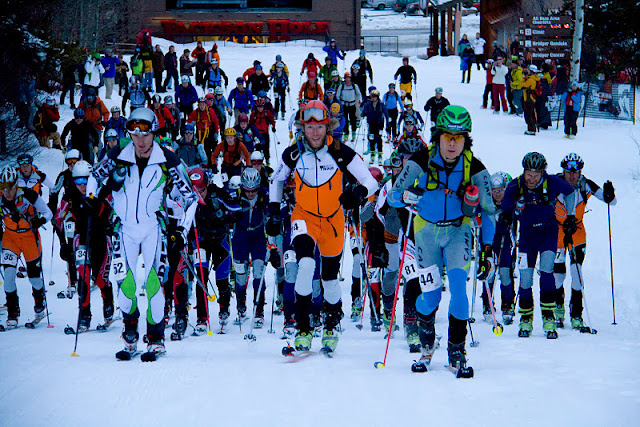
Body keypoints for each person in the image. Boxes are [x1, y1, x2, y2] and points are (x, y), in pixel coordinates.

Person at [388, 105, 495, 373]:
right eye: (447, 136)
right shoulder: (420, 161)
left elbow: (490, 211)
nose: (452, 144)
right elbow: (393, 196)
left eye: (458, 138)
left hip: (458, 231)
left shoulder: (475, 168)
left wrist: (488, 249)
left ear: (466, 140)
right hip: (426, 233)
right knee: (431, 298)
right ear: (438, 136)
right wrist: (406, 196)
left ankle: (457, 351)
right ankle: (426, 343)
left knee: (459, 291)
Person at [87, 108, 198, 360]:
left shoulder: (168, 159)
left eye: (145, 135)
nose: (140, 141)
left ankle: (156, 339)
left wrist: (182, 230)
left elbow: (191, 198)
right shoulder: (117, 154)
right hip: (124, 230)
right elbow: (94, 176)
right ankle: (130, 336)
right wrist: (92, 198)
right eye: (135, 135)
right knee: (125, 286)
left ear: (154, 133)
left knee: (154, 285)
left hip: (152, 230)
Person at [267, 101, 378, 353]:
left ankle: (330, 325)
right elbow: (276, 179)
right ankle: (304, 327)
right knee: (305, 265)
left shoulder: (340, 151)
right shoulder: (293, 153)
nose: (315, 132)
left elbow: (369, 180)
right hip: (304, 216)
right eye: (309, 127)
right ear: (302, 127)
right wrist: (274, 210)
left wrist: (357, 193)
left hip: (333, 220)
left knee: (329, 277)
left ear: (328, 126)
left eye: (319, 127)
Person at [500, 152, 576, 339]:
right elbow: (506, 207)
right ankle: (526, 318)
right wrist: (507, 216)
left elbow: (571, 192)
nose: (531, 179)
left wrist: (570, 216)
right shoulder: (516, 185)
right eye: (529, 174)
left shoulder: (551, 182)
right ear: (523, 172)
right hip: (527, 236)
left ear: (542, 173)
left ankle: (549, 317)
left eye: (536, 175)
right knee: (526, 278)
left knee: (547, 270)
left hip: (548, 233)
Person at [553, 154, 615, 329]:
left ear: (580, 172)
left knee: (577, 272)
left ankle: (576, 314)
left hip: (577, 231)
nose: (572, 176)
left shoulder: (585, 184)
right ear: (563, 172)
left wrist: (609, 194)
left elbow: (611, 201)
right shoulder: (555, 183)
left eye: (576, 172)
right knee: (558, 274)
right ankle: (558, 309)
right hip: (557, 231)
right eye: (568, 172)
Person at [55, 160, 114, 331]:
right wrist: (64, 243)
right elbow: (58, 218)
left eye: (85, 180)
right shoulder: (70, 196)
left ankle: (108, 301)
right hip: (81, 238)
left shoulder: (103, 191)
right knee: (84, 276)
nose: (82, 185)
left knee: (100, 278)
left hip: (101, 238)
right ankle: (84, 314)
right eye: (78, 181)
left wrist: (112, 225)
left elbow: (117, 211)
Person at [187, 167, 238, 335]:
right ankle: (202, 317)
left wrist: (228, 216)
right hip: (200, 241)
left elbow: (235, 207)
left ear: (207, 184)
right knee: (201, 278)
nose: (199, 194)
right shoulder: (190, 199)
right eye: (195, 190)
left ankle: (224, 308)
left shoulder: (216, 194)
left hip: (219, 240)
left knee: (222, 279)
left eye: (202, 190)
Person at [0, 166, 53, 329]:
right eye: (3, 187)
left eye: (10, 186)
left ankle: (39, 303)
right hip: (10, 238)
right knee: (8, 278)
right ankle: (13, 313)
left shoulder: (28, 194)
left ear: (16, 184)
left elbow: (48, 213)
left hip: (29, 237)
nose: (7, 192)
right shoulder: (0, 198)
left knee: (34, 278)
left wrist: (40, 221)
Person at [232, 168, 269, 327]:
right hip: (240, 237)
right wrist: (230, 215)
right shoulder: (236, 195)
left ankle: (259, 310)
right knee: (241, 275)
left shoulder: (264, 195)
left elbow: (275, 210)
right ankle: (241, 306)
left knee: (259, 272)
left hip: (258, 236)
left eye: (254, 190)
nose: (251, 194)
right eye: (247, 190)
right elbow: (224, 207)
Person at [483, 171, 516, 324]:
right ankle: (487, 304)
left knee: (505, 272)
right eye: (495, 191)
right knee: (489, 272)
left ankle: (507, 304)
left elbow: (519, 215)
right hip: (488, 242)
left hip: (505, 240)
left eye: (501, 190)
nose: (498, 194)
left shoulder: (509, 204)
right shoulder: (487, 204)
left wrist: (510, 218)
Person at [188, 97, 220, 165]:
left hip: (209, 132)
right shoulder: (196, 112)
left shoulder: (210, 112)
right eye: (200, 104)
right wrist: (191, 124)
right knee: (200, 148)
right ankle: (204, 162)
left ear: (206, 104)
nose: (202, 106)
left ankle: (213, 162)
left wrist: (216, 132)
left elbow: (215, 122)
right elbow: (189, 120)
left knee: (211, 147)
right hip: (200, 133)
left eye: (203, 104)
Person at [361, 89, 387, 164]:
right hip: (371, 124)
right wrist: (363, 114)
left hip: (379, 124)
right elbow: (363, 112)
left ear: (377, 97)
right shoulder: (368, 104)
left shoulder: (381, 105)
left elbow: (386, 113)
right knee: (371, 139)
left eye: (374, 97)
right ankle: (372, 156)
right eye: (372, 96)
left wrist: (388, 122)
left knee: (379, 139)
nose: (373, 98)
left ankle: (380, 156)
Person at [336, 72, 362, 141]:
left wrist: (358, 101)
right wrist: (339, 103)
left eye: (349, 78)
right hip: (344, 105)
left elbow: (358, 94)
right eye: (346, 78)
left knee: (353, 120)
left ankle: (353, 133)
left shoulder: (354, 86)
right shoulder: (342, 86)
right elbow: (338, 95)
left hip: (352, 105)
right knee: (345, 121)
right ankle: (346, 134)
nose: (347, 80)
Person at [250, 99, 276, 164]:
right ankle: (257, 162)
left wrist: (273, 127)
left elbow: (272, 120)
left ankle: (267, 160)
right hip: (257, 134)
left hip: (265, 132)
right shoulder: (254, 113)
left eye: (261, 107)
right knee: (257, 148)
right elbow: (250, 122)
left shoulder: (267, 112)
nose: (260, 109)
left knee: (266, 147)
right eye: (258, 107)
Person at [522, 65, 541, 136]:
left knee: (528, 115)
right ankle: (532, 128)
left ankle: (531, 129)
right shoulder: (534, 78)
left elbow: (523, 85)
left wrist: (523, 78)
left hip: (529, 99)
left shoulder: (531, 80)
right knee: (531, 114)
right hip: (531, 99)